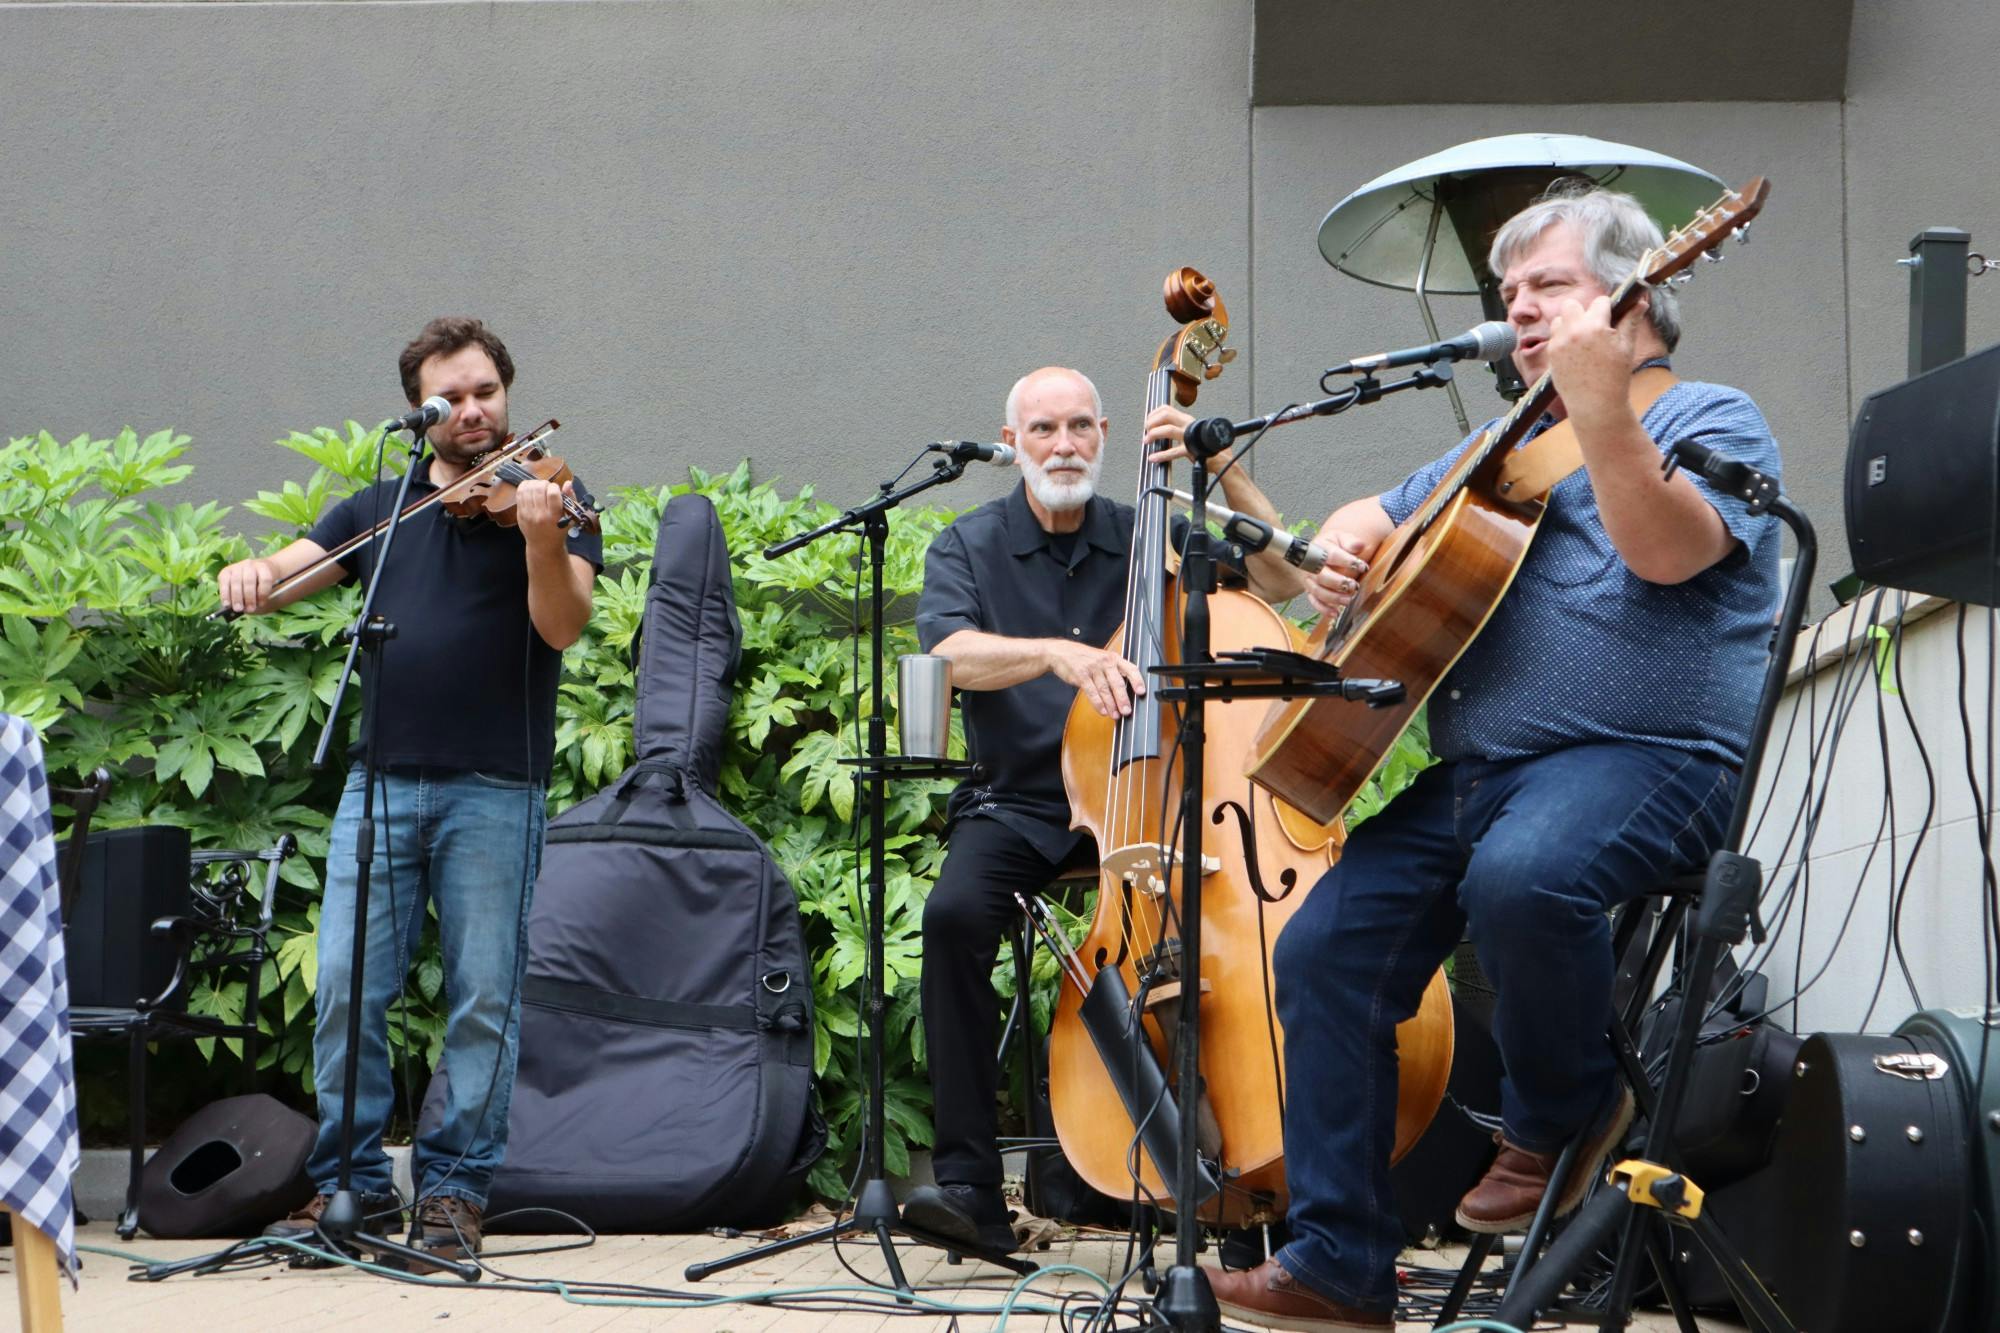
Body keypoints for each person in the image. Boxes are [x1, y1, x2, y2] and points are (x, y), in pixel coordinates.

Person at [1145, 184, 1782, 1331]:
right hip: (1485, 776)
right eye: (1508, 293)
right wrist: (1343, 546)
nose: (1519, 311)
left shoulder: (1708, 417)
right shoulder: (1499, 446)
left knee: (1524, 876)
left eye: (1548, 287)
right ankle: (1338, 1261)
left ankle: (1558, 1117)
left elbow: (1668, 553)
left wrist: (1601, 417)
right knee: (1326, 946)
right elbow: (1356, 521)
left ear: (1637, 295)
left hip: (1650, 760)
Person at [216, 317, 600, 1267]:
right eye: (452, 399)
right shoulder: (382, 508)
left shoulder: (556, 496)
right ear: (420, 411)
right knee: (347, 984)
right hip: (379, 783)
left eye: (486, 394)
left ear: (507, 395)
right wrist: (252, 573)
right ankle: (347, 1186)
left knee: (482, 996)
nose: (474, 413)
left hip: (496, 788)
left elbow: (561, 628)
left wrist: (542, 541)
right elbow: (293, 569)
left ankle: (455, 1193)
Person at [903, 365, 1303, 1252]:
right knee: (953, 915)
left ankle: (1239, 1170)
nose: (1064, 445)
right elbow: (952, 653)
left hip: (1159, 800)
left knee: (1225, 934)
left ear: (1107, 433)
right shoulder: (967, 546)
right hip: (1026, 800)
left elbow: (1279, 582)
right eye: (1043, 429)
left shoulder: (1151, 532)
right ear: (1012, 443)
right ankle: (970, 1187)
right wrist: (1054, 655)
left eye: (1081, 426)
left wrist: (1228, 466)